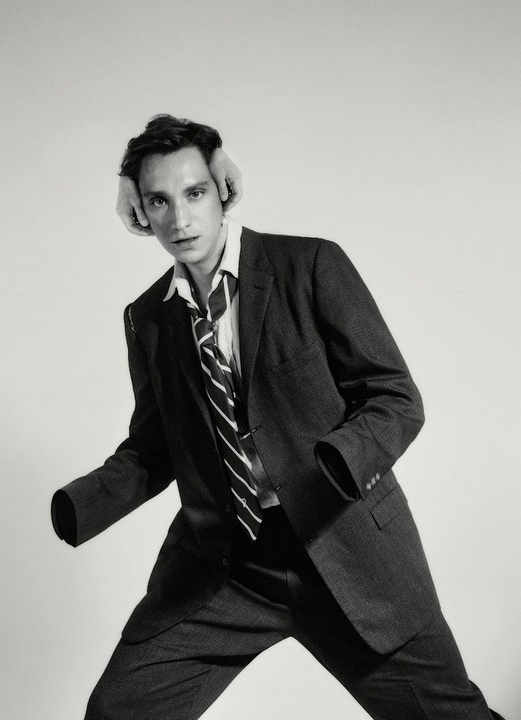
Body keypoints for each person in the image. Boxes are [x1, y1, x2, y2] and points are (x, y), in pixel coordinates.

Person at [51, 115, 504, 719]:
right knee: (118, 710)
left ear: (222, 190)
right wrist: (81, 504)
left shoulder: (309, 265)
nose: (180, 219)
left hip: (342, 547)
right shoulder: (149, 318)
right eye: (159, 201)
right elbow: (155, 447)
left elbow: (394, 396)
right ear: (138, 210)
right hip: (227, 568)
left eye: (194, 193)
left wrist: (334, 466)